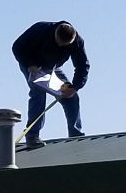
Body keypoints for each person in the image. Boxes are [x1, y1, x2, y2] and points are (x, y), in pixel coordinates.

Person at [11, 20, 90, 148]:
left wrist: (75, 87)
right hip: (32, 66)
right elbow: (17, 47)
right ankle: (32, 136)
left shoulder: (77, 42)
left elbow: (82, 65)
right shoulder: (40, 29)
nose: (60, 47)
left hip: (51, 68)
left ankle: (76, 134)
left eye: (64, 45)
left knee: (71, 97)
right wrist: (29, 64)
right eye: (58, 43)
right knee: (38, 93)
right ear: (55, 33)